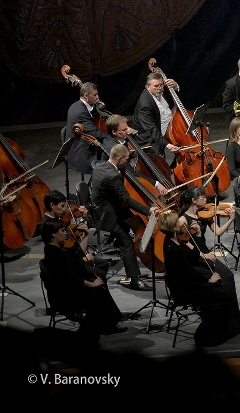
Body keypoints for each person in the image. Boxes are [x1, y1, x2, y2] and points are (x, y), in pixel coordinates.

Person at [156, 211, 240, 347]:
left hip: (188, 282)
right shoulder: (172, 248)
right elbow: (188, 272)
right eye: (177, 223)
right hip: (183, 289)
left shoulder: (177, 240)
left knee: (222, 288)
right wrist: (208, 281)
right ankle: (202, 334)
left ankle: (221, 327)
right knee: (222, 294)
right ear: (173, 228)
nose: (180, 223)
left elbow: (194, 255)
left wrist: (189, 242)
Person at [39, 219, 126, 343]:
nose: (66, 233)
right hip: (65, 297)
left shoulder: (55, 249)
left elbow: (78, 254)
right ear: (53, 234)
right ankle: (86, 336)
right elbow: (70, 277)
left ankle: (103, 327)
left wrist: (87, 235)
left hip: (68, 290)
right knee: (98, 296)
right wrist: (91, 284)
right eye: (62, 231)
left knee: (100, 288)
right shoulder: (55, 254)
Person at [90, 144, 153, 289]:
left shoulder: (99, 166)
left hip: (99, 210)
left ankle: (132, 271)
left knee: (125, 239)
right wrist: (148, 210)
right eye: (126, 159)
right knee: (127, 243)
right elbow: (127, 200)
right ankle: (134, 280)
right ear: (119, 158)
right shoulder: (114, 177)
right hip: (108, 216)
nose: (127, 162)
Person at [63, 81, 111, 183]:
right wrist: (111, 136)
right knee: (109, 158)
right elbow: (94, 133)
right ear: (86, 96)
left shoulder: (77, 105)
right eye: (95, 95)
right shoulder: (81, 112)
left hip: (79, 146)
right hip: (80, 153)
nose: (98, 97)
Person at [132, 70, 183, 157]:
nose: (160, 88)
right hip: (150, 140)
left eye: (161, 85)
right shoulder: (145, 105)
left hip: (168, 127)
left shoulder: (159, 90)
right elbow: (152, 129)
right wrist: (167, 145)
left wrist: (175, 86)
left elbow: (176, 99)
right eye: (156, 86)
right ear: (148, 87)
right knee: (160, 162)